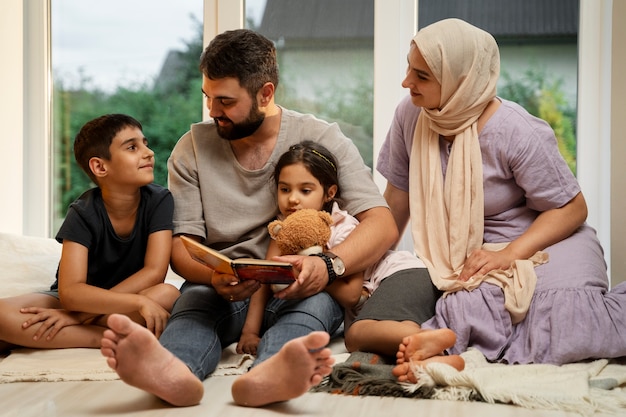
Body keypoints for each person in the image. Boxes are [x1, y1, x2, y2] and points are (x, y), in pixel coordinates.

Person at [100, 29, 398, 407]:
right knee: (193, 306)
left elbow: (381, 223)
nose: (213, 111)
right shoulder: (190, 149)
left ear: (266, 94)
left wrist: (328, 266)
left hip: (301, 284)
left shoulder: (323, 139)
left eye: (225, 101)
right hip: (224, 287)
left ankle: (267, 375)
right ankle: (173, 372)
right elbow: (181, 247)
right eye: (208, 97)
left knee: (315, 307)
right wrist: (213, 276)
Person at [373, 18, 626, 383]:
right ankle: (444, 353)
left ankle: (454, 352)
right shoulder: (410, 115)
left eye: (422, 76)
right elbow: (397, 200)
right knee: (464, 307)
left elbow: (572, 208)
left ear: (462, 81)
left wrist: (508, 256)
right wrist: (373, 270)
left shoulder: (515, 130)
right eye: (409, 69)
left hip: (550, 239)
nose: (406, 82)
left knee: (566, 321)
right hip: (480, 248)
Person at [237, 141, 444, 358]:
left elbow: (351, 295)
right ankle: (432, 355)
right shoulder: (283, 230)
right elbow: (267, 276)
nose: (293, 199)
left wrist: (310, 270)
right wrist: (250, 332)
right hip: (392, 290)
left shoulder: (342, 227)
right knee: (371, 337)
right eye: (284, 189)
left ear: (329, 192)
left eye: (305, 190)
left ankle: (428, 339)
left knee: (355, 336)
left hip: (402, 275)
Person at [0, 114, 180, 353]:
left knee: (168, 294)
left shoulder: (160, 200)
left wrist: (76, 318)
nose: (149, 153)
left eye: (145, 144)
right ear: (99, 166)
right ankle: (102, 337)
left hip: (126, 298)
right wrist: (132, 303)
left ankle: (51, 335)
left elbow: (154, 272)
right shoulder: (82, 212)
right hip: (79, 302)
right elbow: (71, 292)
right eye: (132, 147)